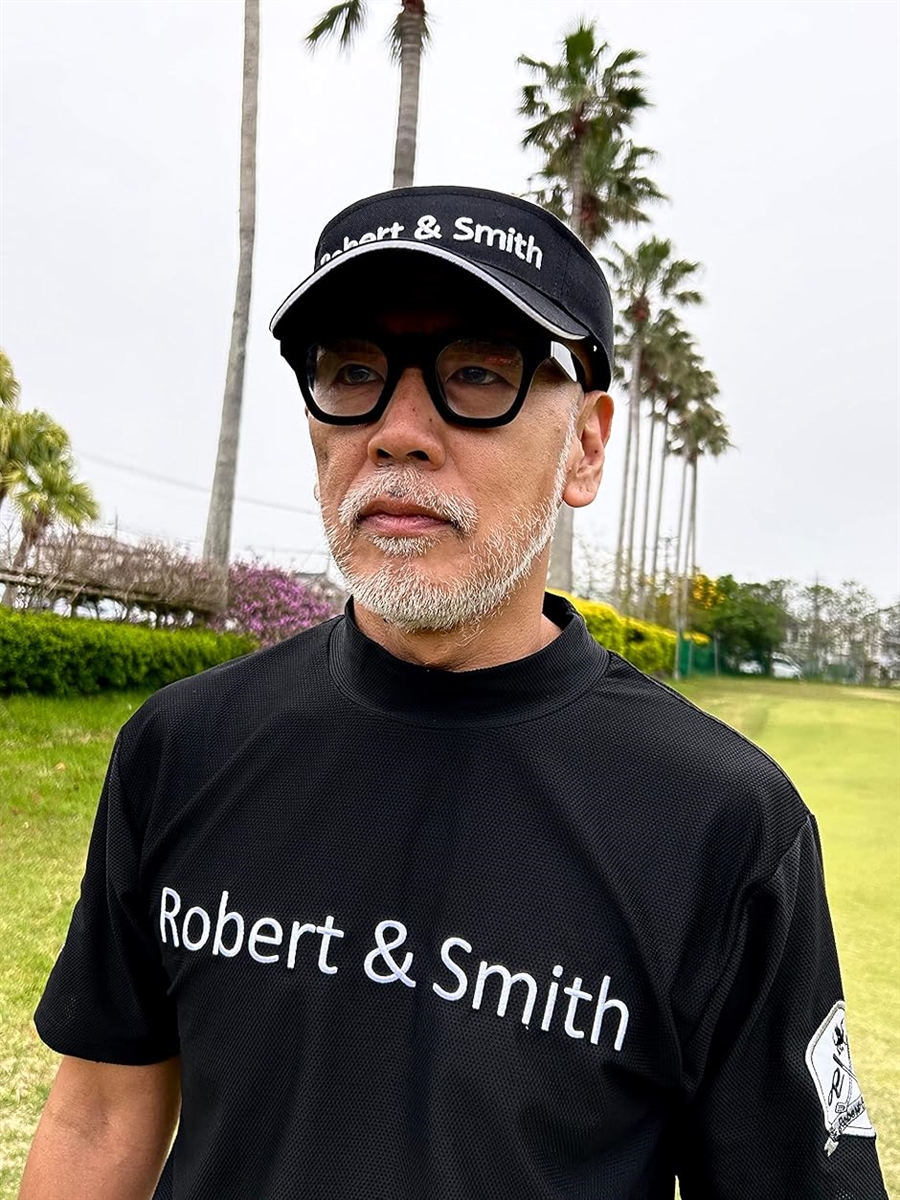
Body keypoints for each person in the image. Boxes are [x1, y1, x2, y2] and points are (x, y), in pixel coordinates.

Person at [21, 185, 887, 1199]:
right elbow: (99, 1113)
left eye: (478, 373)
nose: (398, 431)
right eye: (353, 372)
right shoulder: (182, 746)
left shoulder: (718, 821)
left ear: (587, 445)